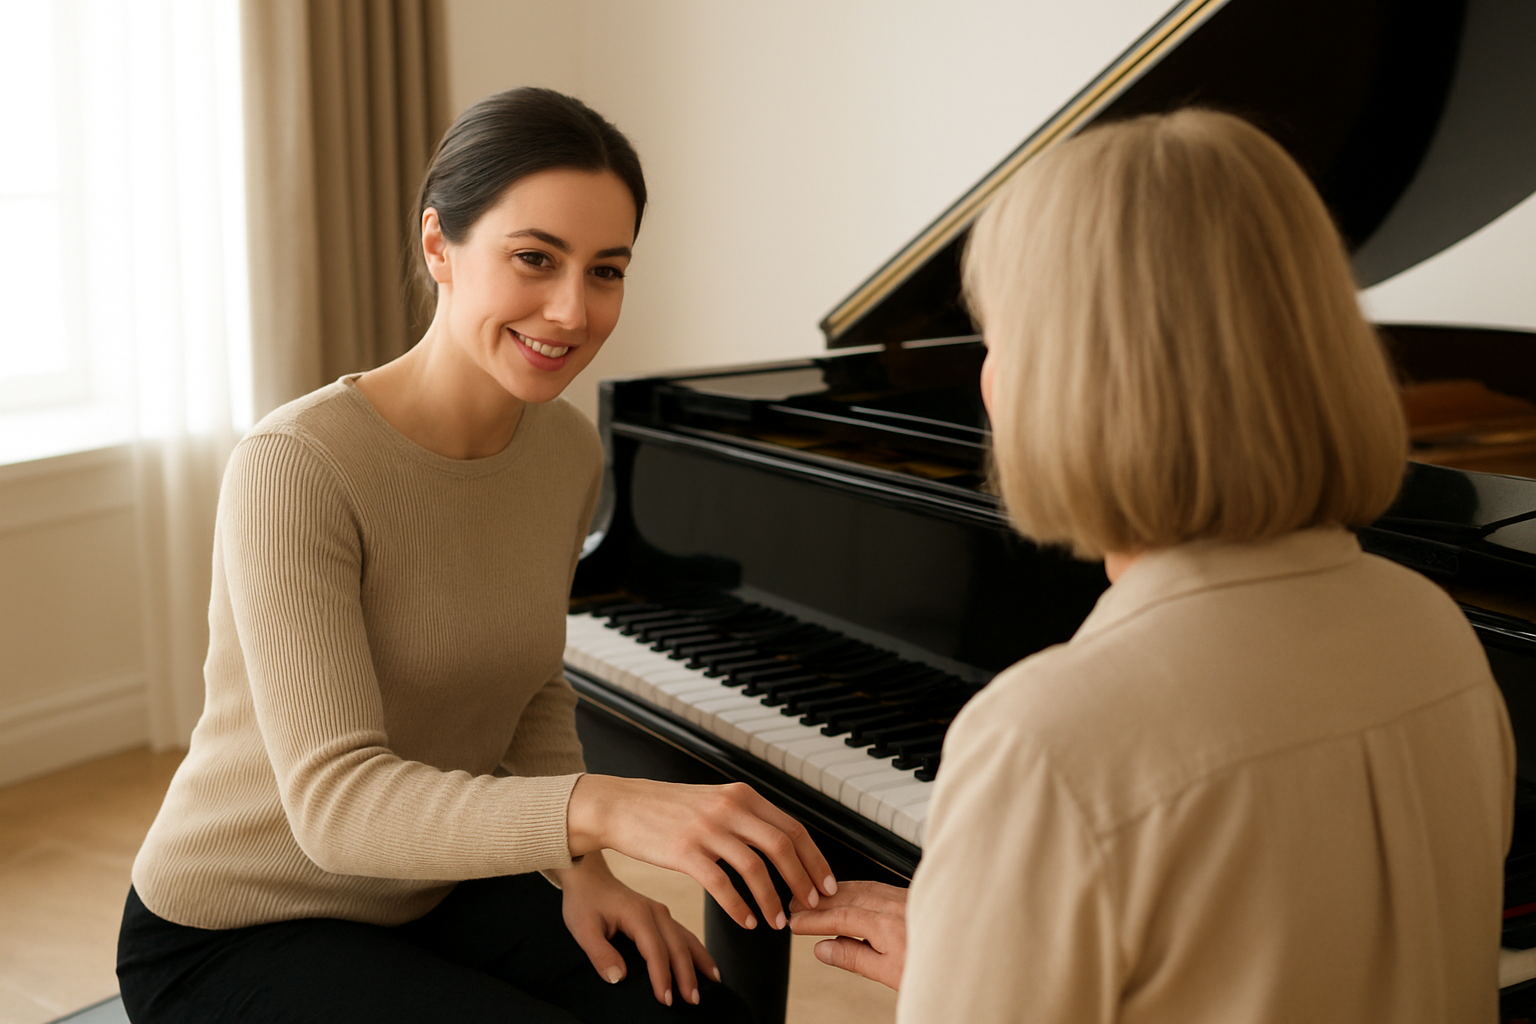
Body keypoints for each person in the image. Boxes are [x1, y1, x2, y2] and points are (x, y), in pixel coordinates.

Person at [117, 87, 836, 1024]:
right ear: (438, 247)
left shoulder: (567, 451)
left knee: (703, 1010)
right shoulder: (296, 467)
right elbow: (335, 806)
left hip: (437, 884)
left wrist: (579, 869)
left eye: (607, 270)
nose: (573, 310)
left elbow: (532, 688)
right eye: (534, 258)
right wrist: (606, 809)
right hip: (236, 925)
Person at [788, 108, 1514, 1021]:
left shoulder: (1045, 739)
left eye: (996, 335)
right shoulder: (1433, 633)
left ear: (1071, 376)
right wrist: (992, 943)